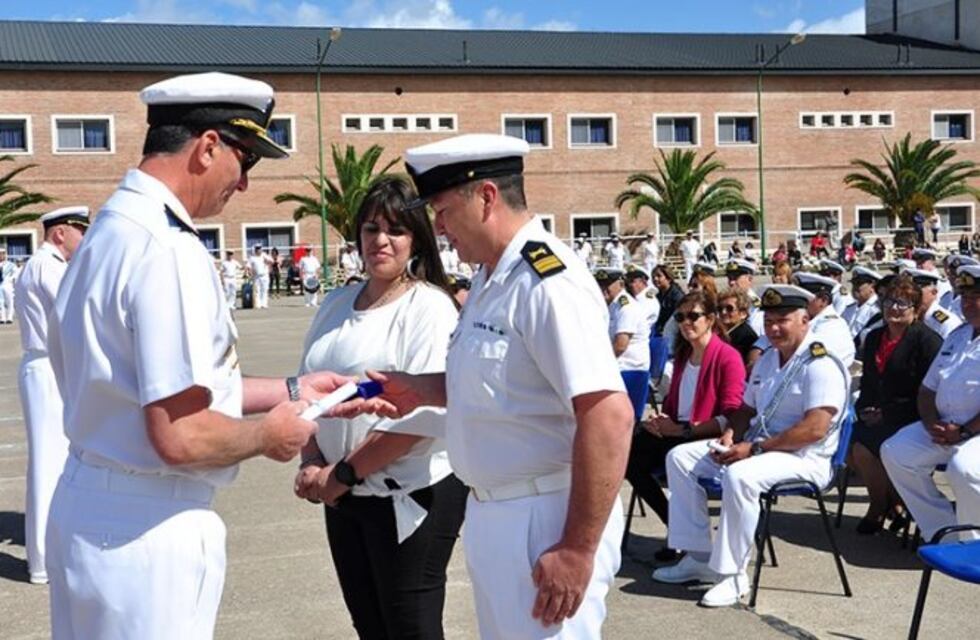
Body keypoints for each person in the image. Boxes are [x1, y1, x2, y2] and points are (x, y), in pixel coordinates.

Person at [44, 71, 353, 639]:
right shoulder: (169, 250)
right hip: (148, 527)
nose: (242, 187)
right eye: (246, 161)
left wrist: (292, 388)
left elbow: (165, 386)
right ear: (209, 147)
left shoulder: (110, 231)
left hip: (91, 507)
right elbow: (179, 434)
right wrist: (269, 435)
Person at [363, 133, 634, 638]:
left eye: (442, 211)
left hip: (546, 518)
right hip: (498, 513)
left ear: (486, 197)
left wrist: (576, 548)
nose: (438, 228)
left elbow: (608, 415)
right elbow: (509, 385)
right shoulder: (493, 277)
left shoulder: (546, 283)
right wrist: (420, 389)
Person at [294, 178, 467, 639]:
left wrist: (342, 473)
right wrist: (313, 462)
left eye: (395, 230)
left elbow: (420, 418)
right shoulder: (334, 304)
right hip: (341, 491)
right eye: (371, 229)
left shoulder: (428, 306)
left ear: (417, 238)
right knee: (369, 626)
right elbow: (308, 393)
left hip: (407, 491)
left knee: (410, 627)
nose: (380, 241)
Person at [653, 284, 848, 607]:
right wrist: (731, 435)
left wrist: (754, 449)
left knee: (740, 476)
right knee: (680, 458)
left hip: (804, 457)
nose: (773, 327)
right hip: (760, 446)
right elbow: (745, 409)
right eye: (769, 319)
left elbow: (814, 429)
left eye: (782, 319)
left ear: (805, 320)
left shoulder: (820, 362)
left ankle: (733, 574)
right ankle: (698, 556)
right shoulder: (769, 359)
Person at [625, 291, 745, 560]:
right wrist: (660, 422)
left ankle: (684, 537)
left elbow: (732, 413)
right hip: (679, 430)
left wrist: (683, 430)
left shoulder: (728, 357)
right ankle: (675, 526)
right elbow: (673, 404)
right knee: (627, 456)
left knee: (668, 457)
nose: (686, 322)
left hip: (705, 435)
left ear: (711, 320)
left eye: (694, 316)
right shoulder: (683, 356)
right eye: (680, 317)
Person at [13, 206, 88, 585]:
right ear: (60, 233)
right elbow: (76, 312)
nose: (83, 238)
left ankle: (48, 554)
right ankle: (42, 560)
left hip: (50, 366)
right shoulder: (48, 265)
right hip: (46, 367)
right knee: (47, 462)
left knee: (56, 460)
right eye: (79, 231)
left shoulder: (47, 264)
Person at [881, 263, 980, 542]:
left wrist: (964, 432)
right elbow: (927, 389)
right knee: (896, 451)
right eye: (966, 298)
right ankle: (941, 531)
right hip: (945, 428)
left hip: (974, 434)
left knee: (965, 469)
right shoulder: (958, 336)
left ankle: (973, 543)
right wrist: (931, 423)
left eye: (976, 298)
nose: (968, 304)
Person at [850, 274, 942, 534]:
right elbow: (868, 382)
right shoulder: (875, 337)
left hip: (912, 415)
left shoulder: (927, 341)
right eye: (890, 301)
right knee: (850, 443)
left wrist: (887, 413)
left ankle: (879, 507)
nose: (894, 308)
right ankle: (894, 503)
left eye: (903, 303)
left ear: (916, 309)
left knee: (865, 448)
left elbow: (928, 390)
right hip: (878, 413)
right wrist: (864, 409)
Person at [791, 272, 857, 368]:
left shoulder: (831, 326)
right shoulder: (814, 320)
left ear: (823, 301)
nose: (799, 303)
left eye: (805, 299)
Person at [595, 268, 651, 374]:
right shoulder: (612, 305)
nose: (602, 289)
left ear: (621, 284)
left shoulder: (626, 307)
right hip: (618, 366)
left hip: (629, 369)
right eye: (600, 285)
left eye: (607, 285)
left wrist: (598, 364)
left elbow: (620, 346)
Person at [905, 267, 962, 340]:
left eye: (918, 290)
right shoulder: (910, 317)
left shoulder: (945, 322)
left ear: (934, 292)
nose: (912, 294)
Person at [717, 288, 758, 365]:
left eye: (729, 308)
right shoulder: (723, 332)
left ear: (743, 314)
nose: (723, 312)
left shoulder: (746, 337)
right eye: (720, 309)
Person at [725, 259, 763, 335]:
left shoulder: (755, 306)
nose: (731, 282)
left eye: (735, 278)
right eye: (729, 278)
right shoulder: (725, 303)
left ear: (749, 279)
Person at [847, 266, 883, 340]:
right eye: (853, 283)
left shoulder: (876, 310)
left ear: (872, 287)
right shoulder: (850, 308)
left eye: (858, 283)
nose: (854, 287)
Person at [624, 264, 661, 332]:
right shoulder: (634, 299)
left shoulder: (648, 301)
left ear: (643, 281)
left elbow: (636, 321)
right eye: (627, 282)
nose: (628, 285)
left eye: (632, 281)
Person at [247, 243, 272, 309]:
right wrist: (249, 272)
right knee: (257, 290)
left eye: (259, 249)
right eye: (257, 249)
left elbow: (271, 261)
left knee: (264, 289)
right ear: (255, 250)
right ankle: (257, 304)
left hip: (264, 275)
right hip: (256, 276)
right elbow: (248, 266)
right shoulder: (252, 257)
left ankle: (264, 304)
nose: (258, 250)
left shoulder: (264, 255)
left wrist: (267, 261)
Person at [0, 246, 16, 323]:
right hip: (0, 285)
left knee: (9, 301)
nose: (1, 255)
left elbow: (15, 274)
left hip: (7, 285)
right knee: (1, 302)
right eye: (0, 254)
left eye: (3, 254)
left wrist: (10, 279)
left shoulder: (11, 265)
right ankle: (2, 318)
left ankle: (9, 318)